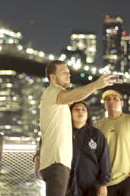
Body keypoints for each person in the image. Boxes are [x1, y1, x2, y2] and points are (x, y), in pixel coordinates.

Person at [39, 60, 115, 196]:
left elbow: (75, 97)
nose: (69, 75)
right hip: (57, 162)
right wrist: (96, 85)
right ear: (52, 77)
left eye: (69, 72)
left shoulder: (59, 102)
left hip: (58, 162)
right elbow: (75, 95)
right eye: (63, 73)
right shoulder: (53, 91)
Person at [94, 90, 130, 196]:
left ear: (122, 103)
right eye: (108, 99)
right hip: (105, 181)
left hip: (128, 177)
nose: (111, 101)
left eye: (115, 99)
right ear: (105, 104)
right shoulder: (97, 126)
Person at [67, 102, 110, 196]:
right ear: (70, 113)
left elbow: (104, 160)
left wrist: (103, 184)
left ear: (87, 115)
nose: (80, 111)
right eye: (76, 109)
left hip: (91, 185)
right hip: (67, 184)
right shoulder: (64, 133)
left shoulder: (96, 134)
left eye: (83, 109)